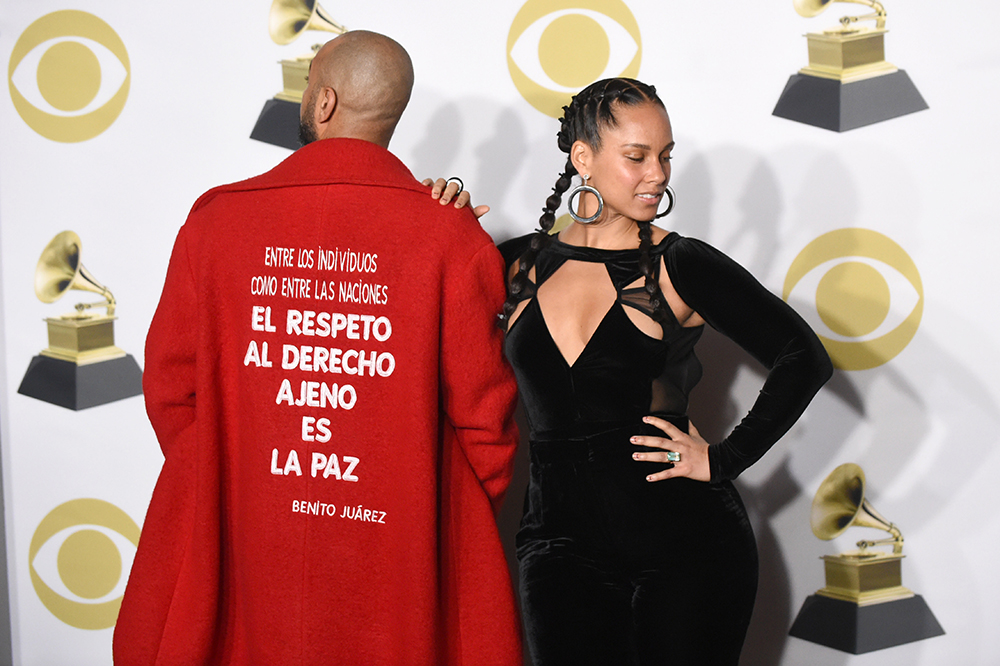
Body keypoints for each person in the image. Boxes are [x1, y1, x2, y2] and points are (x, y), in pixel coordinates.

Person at [113, 31, 522, 665]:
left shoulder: (216, 221)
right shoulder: (451, 235)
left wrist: (242, 477)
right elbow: (486, 425)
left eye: (308, 85)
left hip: (246, 538)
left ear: (324, 102)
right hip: (397, 551)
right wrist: (418, 503)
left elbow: (171, 389)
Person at [498, 78, 833, 665]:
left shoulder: (680, 264)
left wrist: (724, 458)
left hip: (687, 547)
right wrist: (439, 212)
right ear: (584, 158)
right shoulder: (516, 262)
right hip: (557, 545)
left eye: (666, 154)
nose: (658, 172)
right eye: (637, 157)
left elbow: (804, 357)